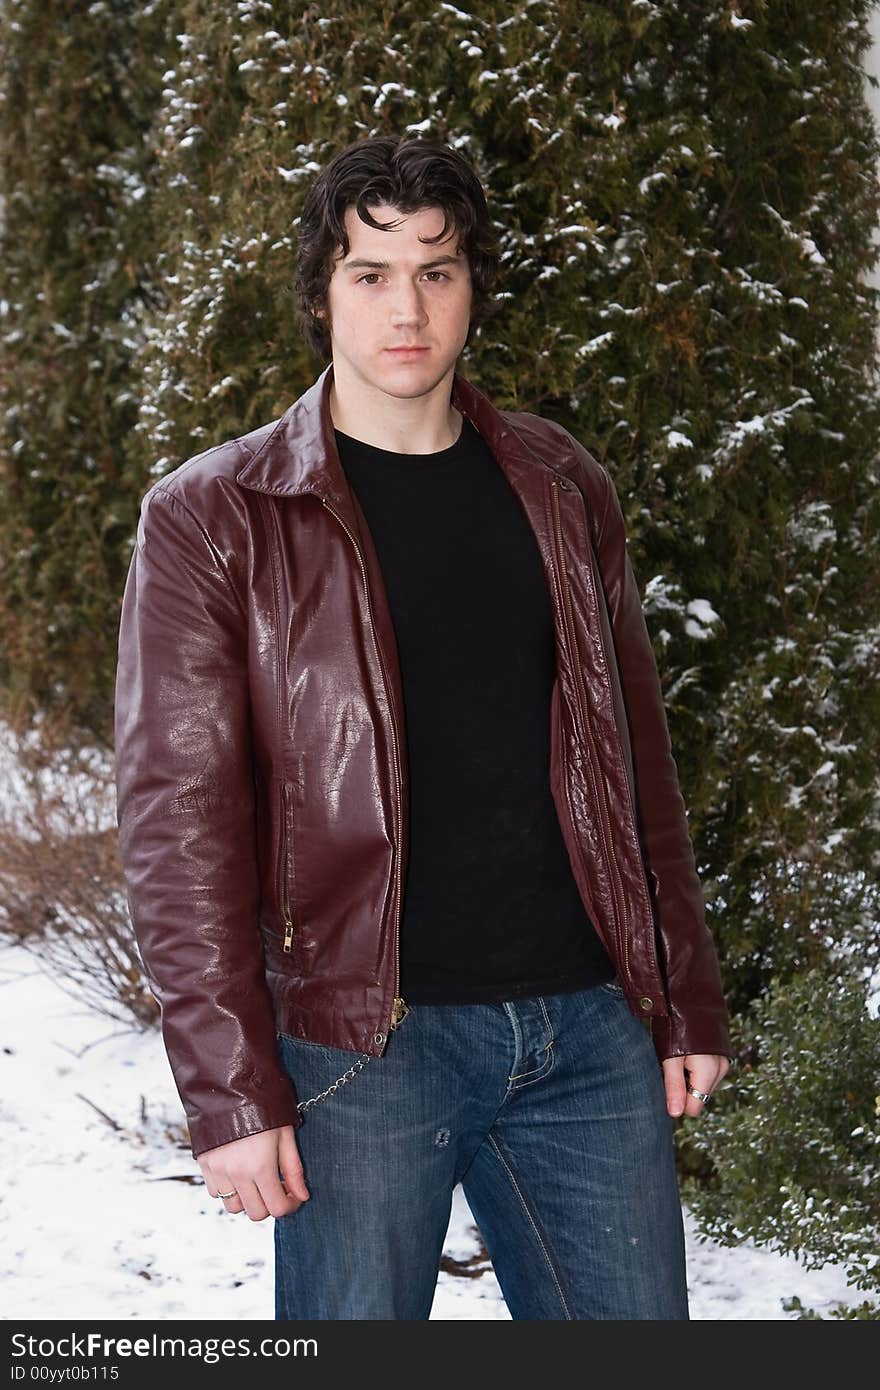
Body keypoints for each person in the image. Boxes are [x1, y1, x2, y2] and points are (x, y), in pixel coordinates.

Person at [114, 134, 732, 1321]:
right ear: (319, 293)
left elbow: (631, 757)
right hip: (363, 1045)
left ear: (472, 292)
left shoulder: (560, 483)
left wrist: (679, 992)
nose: (408, 307)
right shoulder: (217, 517)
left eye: (437, 272)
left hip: (587, 1029)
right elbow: (177, 826)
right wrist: (232, 1093)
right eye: (371, 272)